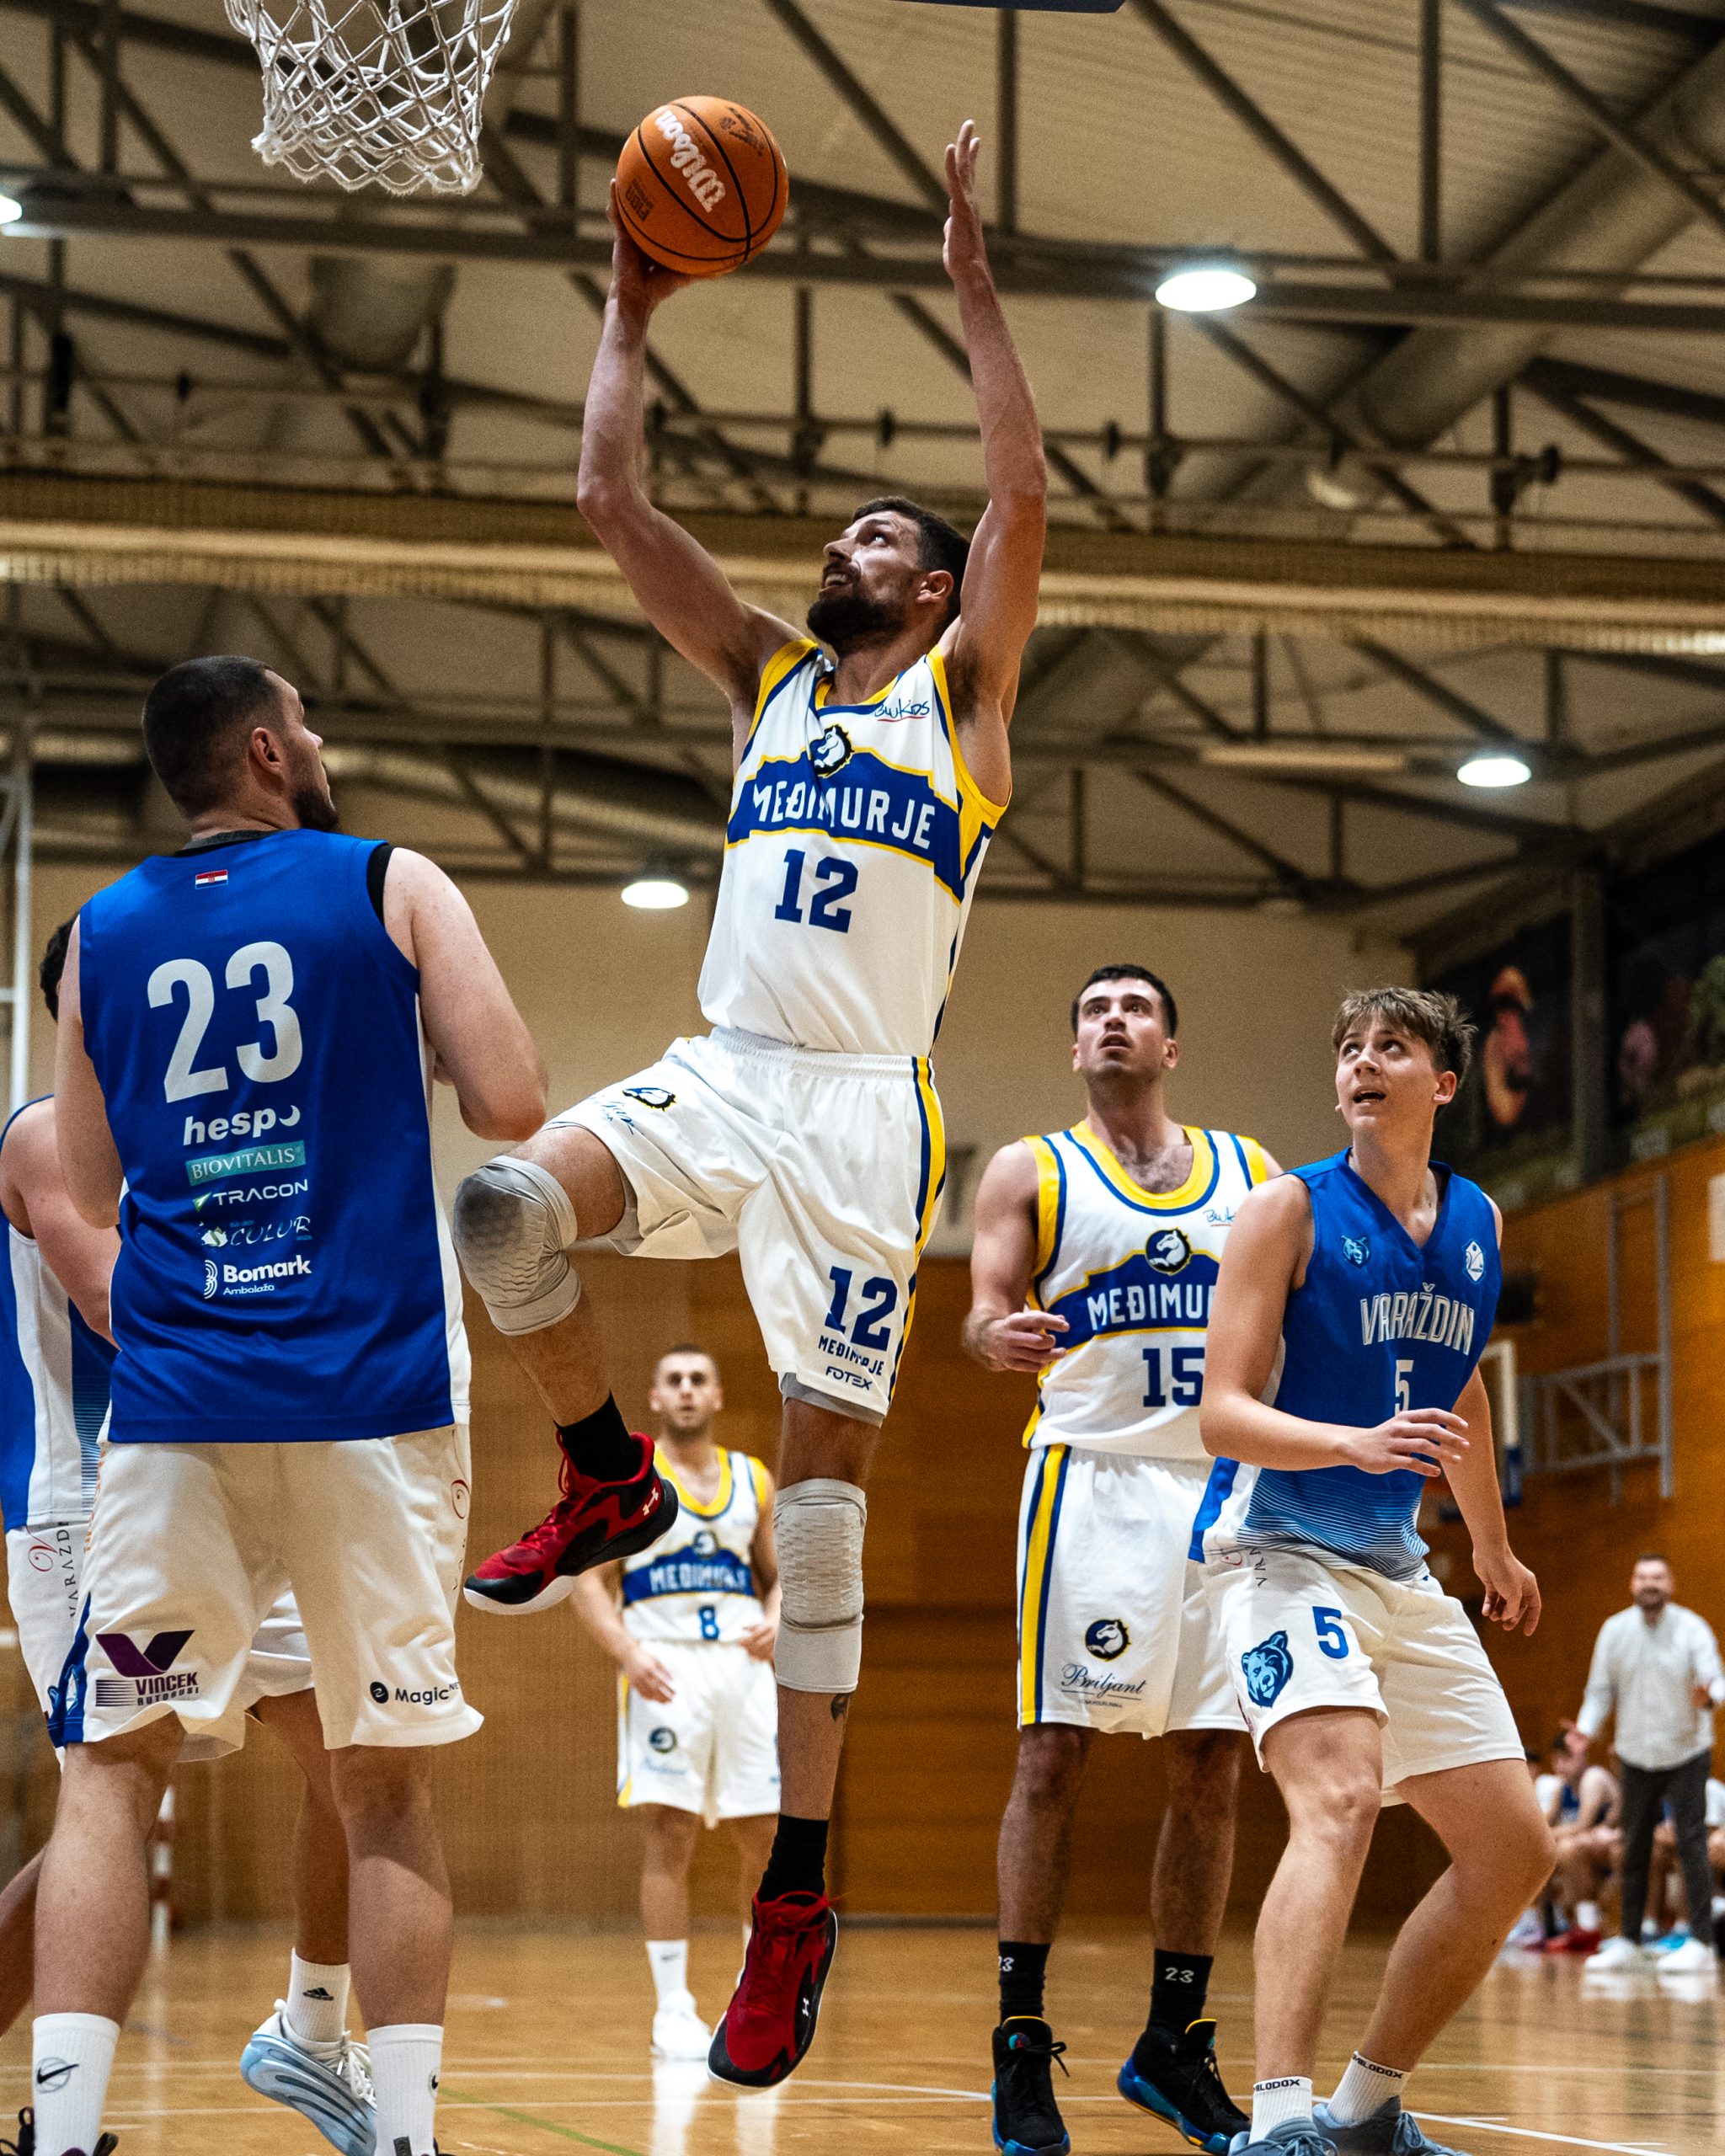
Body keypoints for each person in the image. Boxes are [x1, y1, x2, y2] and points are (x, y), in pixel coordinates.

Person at [450, 119, 1044, 2088]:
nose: (847, 548)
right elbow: (606, 492)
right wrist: (630, 300)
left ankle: (795, 1886)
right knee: (507, 1207)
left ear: (937, 583)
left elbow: (1021, 490)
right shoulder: (771, 680)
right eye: (848, 537)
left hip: (867, 1121)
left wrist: (968, 290)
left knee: (821, 1532)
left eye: (886, 535)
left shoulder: (955, 702)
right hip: (719, 1068)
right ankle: (606, 1468)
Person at [24, 655, 545, 2156]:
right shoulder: (389, 876)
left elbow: (96, 1184)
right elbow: (512, 1107)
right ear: (264, 748)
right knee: (379, 1792)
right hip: (365, 1395)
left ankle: (60, 2139)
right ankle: (398, 2136)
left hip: (179, 1405)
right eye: (306, 722)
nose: (316, 742)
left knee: (110, 1779)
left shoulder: (105, 930)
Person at [0, 923, 375, 2156]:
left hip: (235, 1472)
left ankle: (314, 2035)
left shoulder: (197, 1136)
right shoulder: (49, 1129)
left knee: (359, 1762)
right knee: (109, 1806)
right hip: (88, 1502)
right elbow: (115, 1297)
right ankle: (65, 2114)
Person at [1195, 985, 1553, 2156]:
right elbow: (1224, 1414)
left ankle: (1362, 2110)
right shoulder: (1283, 1212)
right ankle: (1281, 2119)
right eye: (1348, 1046)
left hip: (1395, 1565)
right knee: (1340, 1797)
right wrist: (1352, 1442)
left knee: (1515, 1852)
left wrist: (1490, 1542)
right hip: (1277, 1550)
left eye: (1391, 1047)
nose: (1362, 1062)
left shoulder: (1476, 1221)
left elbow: (1460, 1379)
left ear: (1443, 1083)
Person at [964, 965, 1269, 2156]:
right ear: (1075, 1045)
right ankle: (1020, 2038)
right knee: (1051, 1756)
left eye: (1135, 1008)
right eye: (1093, 1009)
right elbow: (981, 1310)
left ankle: (1174, 2043)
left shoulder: (1251, 1172)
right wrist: (994, 1333)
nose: (1112, 1021)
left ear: (1171, 1048)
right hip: (1088, 1479)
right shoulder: (1031, 1170)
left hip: (1221, 1486)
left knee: (1211, 1767)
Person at [569, 1347, 779, 2060]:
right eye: (674, 1382)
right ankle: (673, 2010)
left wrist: (779, 1615)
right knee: (671, 1835)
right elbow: (586, 1580)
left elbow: (780, 1575)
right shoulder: (632, 1480)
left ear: (717, 1395)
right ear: (655, 1399)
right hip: (666, 1666)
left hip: (744, 1669)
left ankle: (757, 2000)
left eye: (698, 1381)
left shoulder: (754, 1478)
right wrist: (628, 1653)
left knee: (766, 1838)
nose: (687, 1392)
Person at [1577, 1553, 1724, 1973]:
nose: (1650, 1584)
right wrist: (1587, 1730)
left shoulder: (1692, 1627)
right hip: (1635, 1752)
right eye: (1642, 1577)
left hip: (1687, 1750)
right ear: (1632, 1584)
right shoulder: (1614, 1630)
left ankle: (1700, 1940)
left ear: (1671, 1584)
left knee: (1691, 1842)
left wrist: (1709, 1697)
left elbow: (1713, 1679)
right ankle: (1627, 1939)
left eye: (1657, 1577)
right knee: (1634, 1846)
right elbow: (1599, 1691)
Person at [1531, 1725, 1617, 1953]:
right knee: (1538, 1852)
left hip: (1610, 1848)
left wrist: (1548, 1835)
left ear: (1581, 1754)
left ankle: (1587, 1926)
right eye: (1556, 1760)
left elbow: (1583, 1824)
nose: (1561, 1766)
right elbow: (1546, 1823)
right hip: (1587, 1849)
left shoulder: (1594, 1777)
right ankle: (1550, 1926)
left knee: (1568, 1848)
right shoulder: (1564, 1787)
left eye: (1566, 1758)